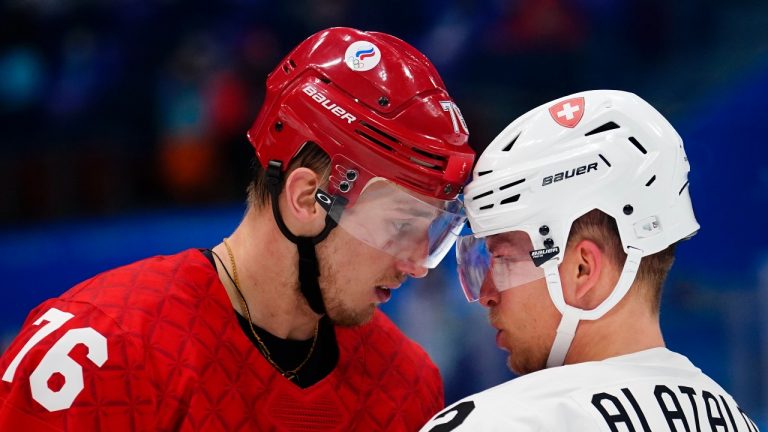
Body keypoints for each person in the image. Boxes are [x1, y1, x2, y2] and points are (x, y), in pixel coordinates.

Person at [0, 27, 475, 431]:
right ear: (307, 199)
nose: (416, 264)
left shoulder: (407, 385)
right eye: (399, 225)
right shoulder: (99, 349)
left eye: (432, 232)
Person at [420, 90, 761, 431]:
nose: (487, 293)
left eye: (503, 259)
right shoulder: (735, 420)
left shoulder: (497, 423)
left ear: (583, 269)